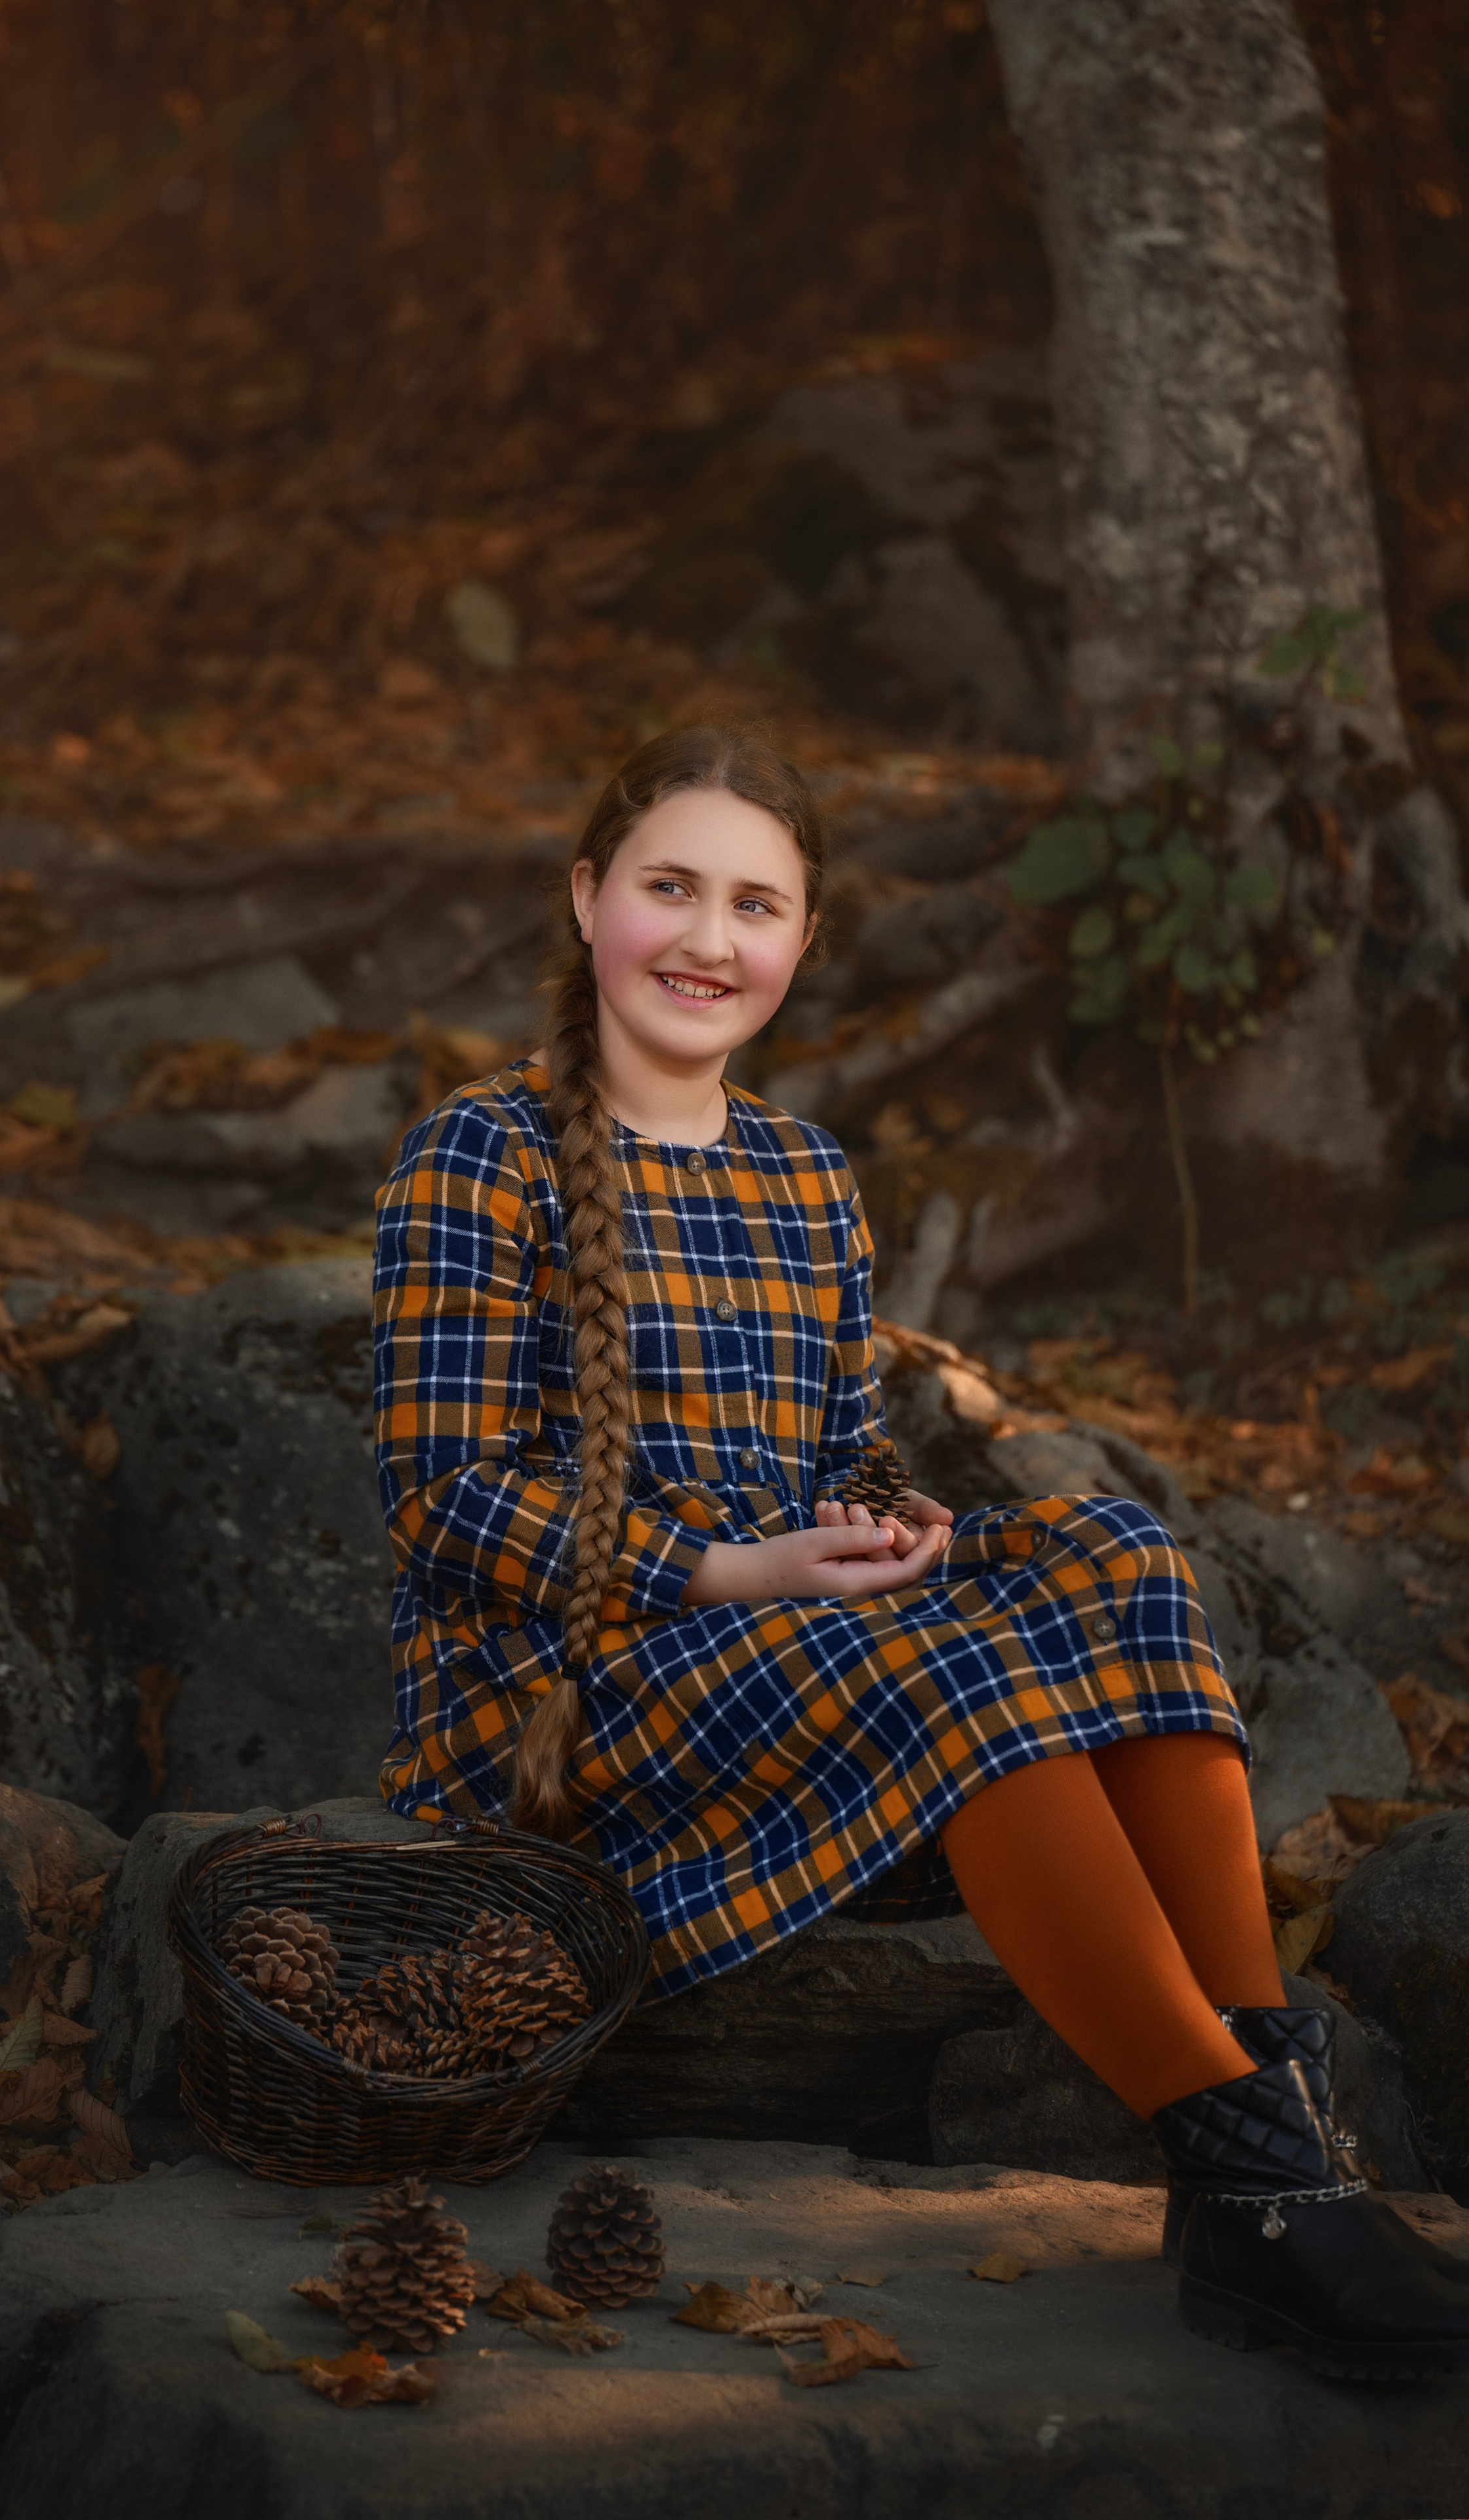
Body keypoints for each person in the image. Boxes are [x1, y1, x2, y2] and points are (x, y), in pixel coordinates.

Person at [372, 724, 1468, 2380]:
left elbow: (828, 1449)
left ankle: (1260, 2150)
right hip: (574, 1675)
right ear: (586, 897)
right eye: (668, 887)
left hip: (792, 1640)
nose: (707, 940)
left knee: (1113, 1553)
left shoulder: (808, 1174)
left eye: (756, 904)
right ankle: (1252, 2167)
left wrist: (891, 1515)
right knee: (942, 1661)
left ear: (803, 943)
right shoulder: (484, 1155)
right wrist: (727, 1572)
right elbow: (441, 1497)